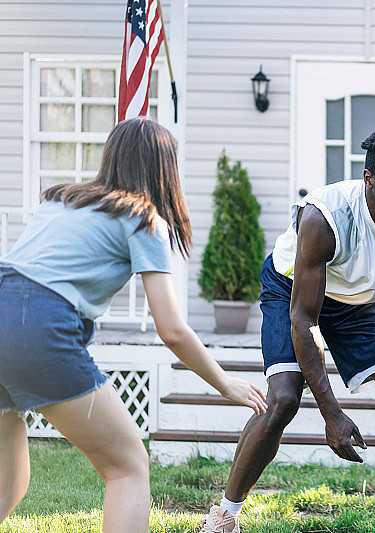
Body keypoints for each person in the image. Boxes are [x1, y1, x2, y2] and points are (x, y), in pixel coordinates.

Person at [199, 127, 375, 533]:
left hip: (358, 301)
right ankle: (225, 515)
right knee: (283, 400)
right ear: (369, 179)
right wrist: (331, 414)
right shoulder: (324, 216)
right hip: (291, 291)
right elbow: (305, 319)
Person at [0, 117, 267, 533]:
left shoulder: (61, 199)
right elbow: (172, 330)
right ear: (165, 169)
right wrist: (225, 383)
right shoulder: (144, 219)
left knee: (8, 480)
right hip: (40, 328)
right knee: (127, 467)